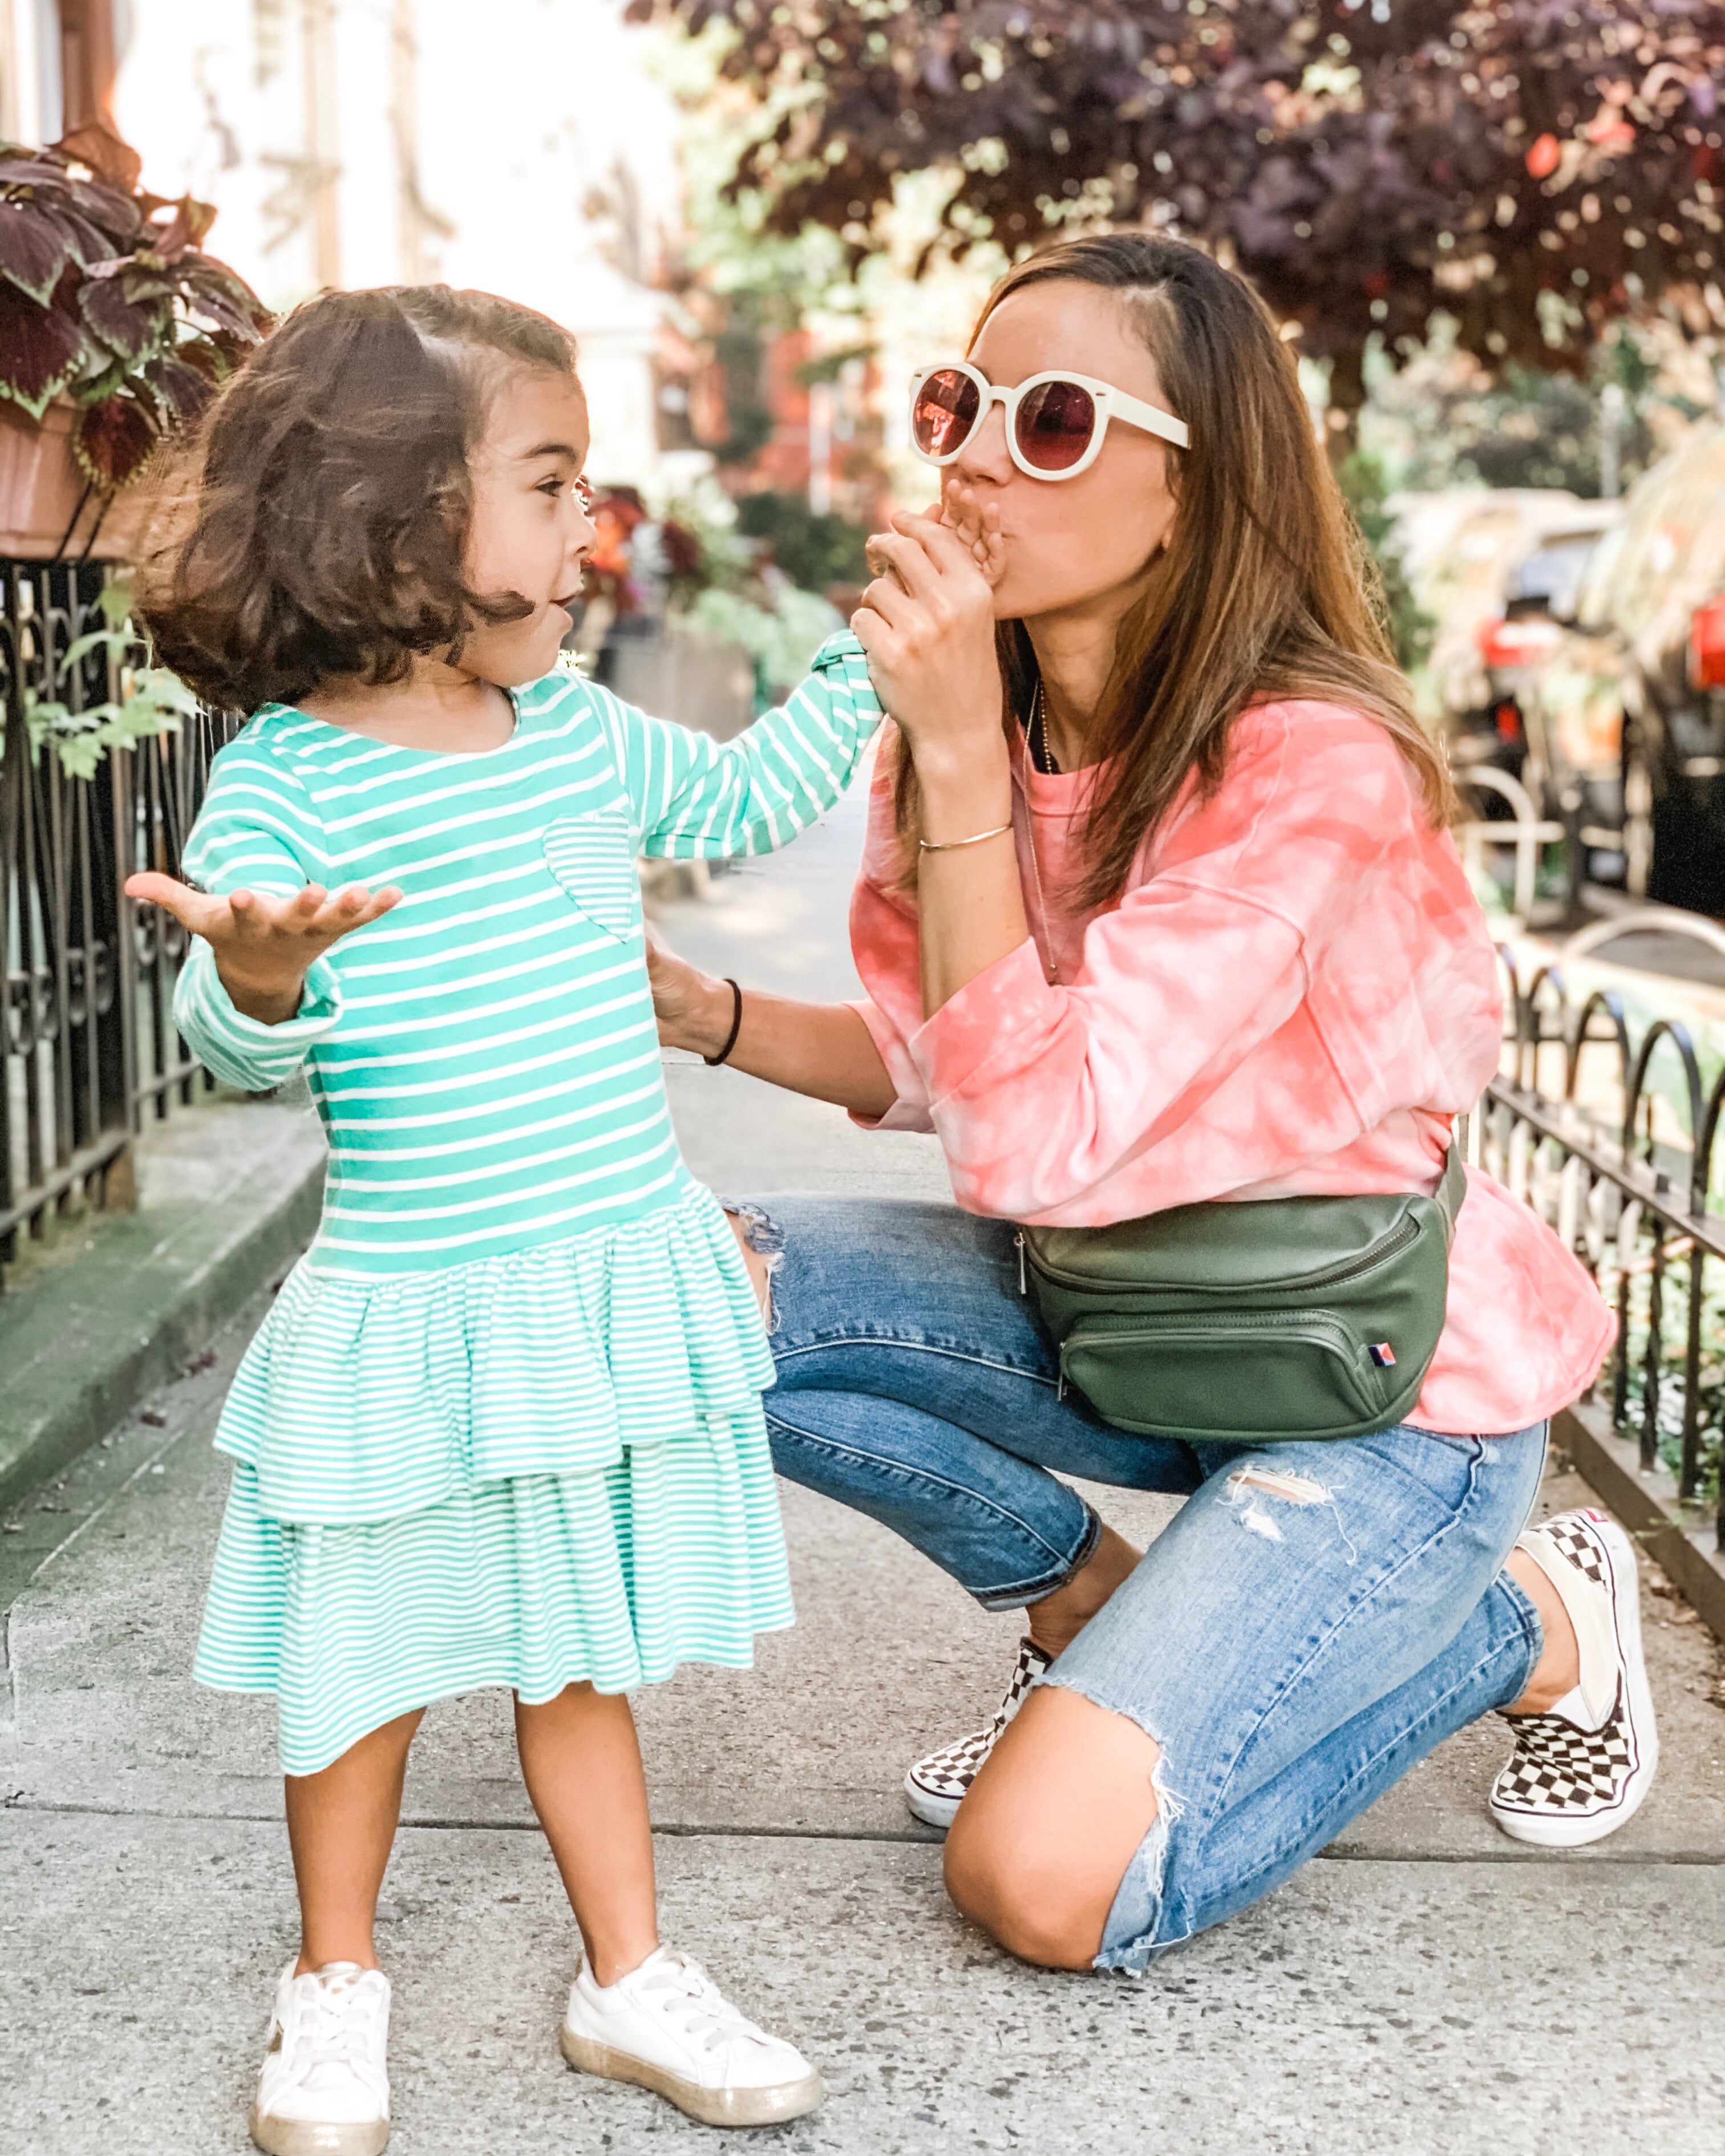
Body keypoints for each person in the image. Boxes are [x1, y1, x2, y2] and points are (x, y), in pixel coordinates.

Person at [645, 233, 1653, 1979]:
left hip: (1379, 1385)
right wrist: (702, 1011)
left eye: (1050, 422)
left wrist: (955, 752)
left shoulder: (1313, 766)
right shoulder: (984, 732)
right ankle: (1087, 1611)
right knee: (651, 1300)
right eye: (961, 405)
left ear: (1193, 491)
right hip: (1125, 1316)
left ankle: (1527, 1620)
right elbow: (944, 1062)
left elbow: (1030, 1139)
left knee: (1040, 1878)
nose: (969, 459)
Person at [128, 286, 881, 2153]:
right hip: (412, 1299)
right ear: (393, 519)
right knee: (360, 1664)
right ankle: (335, 1978)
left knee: (578, 1648)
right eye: (549, 485)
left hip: (590, 1284)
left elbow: (754, 786)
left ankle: (626, 1972)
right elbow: (227, 1037)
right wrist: (275, 979)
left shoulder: (569, 732)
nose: (587, 531)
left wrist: (874, 654)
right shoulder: (283, 780)